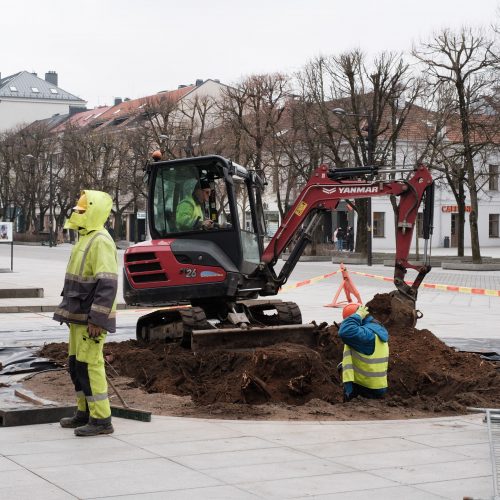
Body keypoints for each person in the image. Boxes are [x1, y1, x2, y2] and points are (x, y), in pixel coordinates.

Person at [53, 190, 118, 436]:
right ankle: (84, 412)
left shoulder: (100, 240)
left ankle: (102, 420)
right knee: (76, 365)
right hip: (78, 316)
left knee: (90, 366)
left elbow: (107, 284)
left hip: (91, 320)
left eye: (82, 211)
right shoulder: (84, 238)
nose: (77, 214)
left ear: (94, 212)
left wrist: (97, 320)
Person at [338, 303, 389, 402]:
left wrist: (357, 316)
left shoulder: (367, 335)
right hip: (377, 386)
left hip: (365, 388)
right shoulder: (376, 330)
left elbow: (345, 331)